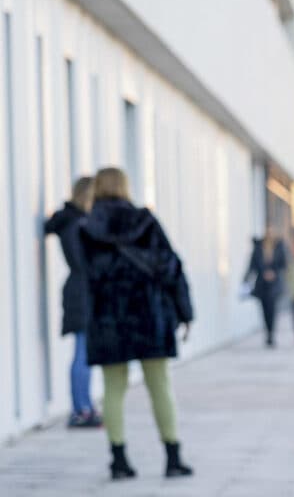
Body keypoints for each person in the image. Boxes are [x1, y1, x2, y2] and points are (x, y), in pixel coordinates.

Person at [78, 167, 194, 480]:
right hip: (149, 315)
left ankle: (119, 461)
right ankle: (172, 457)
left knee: (113, 390)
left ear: (98, 189)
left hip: (108, 318)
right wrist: (185, 312)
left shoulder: (86, 227)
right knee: (160, 386)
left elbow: (88, 276)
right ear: (125, 187)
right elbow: (171, 266)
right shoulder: (146, 220)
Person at [44, 176, 101, 428]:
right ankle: (81, 409)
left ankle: (84, 405)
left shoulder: (71, 221)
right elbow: (86, 261)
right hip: (82, 291)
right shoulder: (78, 224)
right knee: (82, 351)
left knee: (83, 351)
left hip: (79, 288)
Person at [244, 227, 287, 347]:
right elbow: (252, 265)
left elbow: (283, 263)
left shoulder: (279, 247)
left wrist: (274, 272)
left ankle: (271, 334)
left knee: (272, 309)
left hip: (274, 284)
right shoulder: (258, 248)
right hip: (262, 283)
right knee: (264, 310)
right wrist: (246, 279)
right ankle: (268, 332)